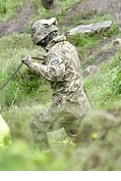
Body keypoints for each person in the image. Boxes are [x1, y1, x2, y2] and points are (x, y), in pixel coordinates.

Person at [21, 17, 91, 148]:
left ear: (45, 37)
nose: (42, 46)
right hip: (81, 102)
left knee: (36, 126)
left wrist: (32, 65)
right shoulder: (67, 46)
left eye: (41, 43)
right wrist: (47, 60)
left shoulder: (54, 53)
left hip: (66, 106)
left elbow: (55, 74)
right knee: (81, 141)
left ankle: (47, 160)